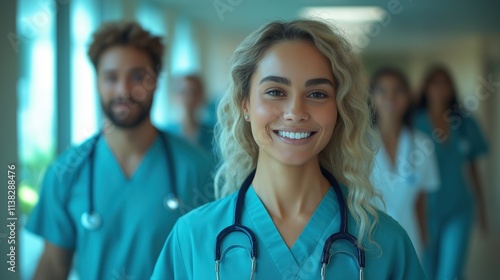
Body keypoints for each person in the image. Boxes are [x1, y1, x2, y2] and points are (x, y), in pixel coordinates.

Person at [151, 19, 425, 279]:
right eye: (275, 92)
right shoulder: (192, 238)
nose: (295, 112)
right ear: (245, 104)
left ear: (338, 110)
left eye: (317, 94)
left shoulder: (386, 243)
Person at [26, 21, 214, 280]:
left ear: (156, 81)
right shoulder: (65, 172)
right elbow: (52, 267)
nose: (124, 90)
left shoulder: (197, 168)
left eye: (137, 77)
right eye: (111, 77)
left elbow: (211, 261)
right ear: (97, 81)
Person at [415, 66, 489, 280]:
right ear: (426, 88)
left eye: (444, 83)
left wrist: (482, 208)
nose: (439, 89)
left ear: (451, 88)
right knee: (427, 272)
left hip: (459, 207)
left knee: (450, 273)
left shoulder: (464, 123)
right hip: (425, 210)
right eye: (434, 83)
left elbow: (474, 168)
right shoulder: (415, 123)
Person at [369, 67, 440, 259]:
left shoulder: (423, 144)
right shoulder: (358, 144)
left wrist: (424, 234)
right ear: (372, 97)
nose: (390, 97)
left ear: (408, 97)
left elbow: (421, 199)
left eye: (398, 90)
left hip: (409, 236)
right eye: (382, 90)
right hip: (368, 238)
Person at [166, 75, 215, 156]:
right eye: (182, 92)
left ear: (201, 96)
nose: (188, 97)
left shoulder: (212, 133)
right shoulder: (166, 133)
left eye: (193, 92)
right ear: (174, 97)